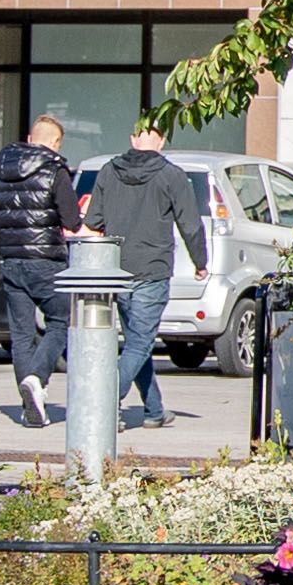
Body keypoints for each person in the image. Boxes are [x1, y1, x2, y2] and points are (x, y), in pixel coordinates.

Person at [90, 124, 206, 430]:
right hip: (152, 269)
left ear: (132, 139)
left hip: (116, 268)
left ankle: (154, 410)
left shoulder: (107, 171)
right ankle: (104, 400)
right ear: (162, 141)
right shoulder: (172, 175)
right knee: (139, 344)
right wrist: (200, 262)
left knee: (134, 343)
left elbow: (93, 221)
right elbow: (190, 224)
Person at [0, 112, 83, 430]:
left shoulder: (1, 170)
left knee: (21, 335)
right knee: (61, 321)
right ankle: (36, 378)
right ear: (55, 143)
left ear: (30, 138)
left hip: (11, 260)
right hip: (46, 260)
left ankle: (31, 406)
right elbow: (70, 221)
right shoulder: (56, 170)